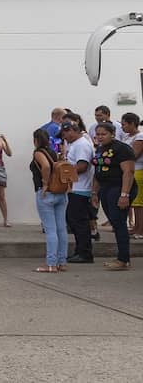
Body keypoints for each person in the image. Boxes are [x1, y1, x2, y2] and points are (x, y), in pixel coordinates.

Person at [92, 122, 137, 270]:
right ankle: (121, 257)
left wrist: (124, 195)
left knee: (119, 223)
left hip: (119, 187)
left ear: (112, 134)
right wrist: (94, 193)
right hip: (105, 188)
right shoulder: (100, 149)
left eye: (103, 134)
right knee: (114, 222)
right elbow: (97, 171)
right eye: (98, 134)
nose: (100, 137)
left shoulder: (122, 149)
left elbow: (128, 172)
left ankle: (123, 260)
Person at [30, 129, 67, 272]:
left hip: (46, 193)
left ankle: (51, 263)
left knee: (50, 229)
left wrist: (45, 183)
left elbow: (45, 166)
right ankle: (61, 262)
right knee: (61, 228)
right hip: (60, 193)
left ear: (35, 140)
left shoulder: (38, 152)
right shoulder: (53, 152)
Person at [59, 120, 95, 263]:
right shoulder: (75, 144)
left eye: (65, 133)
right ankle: (80, 250)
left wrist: (63, 173)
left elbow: (82, 166)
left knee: (79, 222)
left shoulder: (81, 145)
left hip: (80, 189)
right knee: (74, 221)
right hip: (75, 189)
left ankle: (84, 253)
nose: (64, 136)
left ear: (73, 130)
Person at [118, 112, 143, 238]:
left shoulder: (139, 137)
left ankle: (140, 229)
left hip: (137, 170)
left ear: (133, 124)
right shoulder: (127, 137)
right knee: (134, 203)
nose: (122, 127)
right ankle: (135, 227)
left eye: (124, 125)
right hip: (127, 170)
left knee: (139, 203)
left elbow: (134, 155)